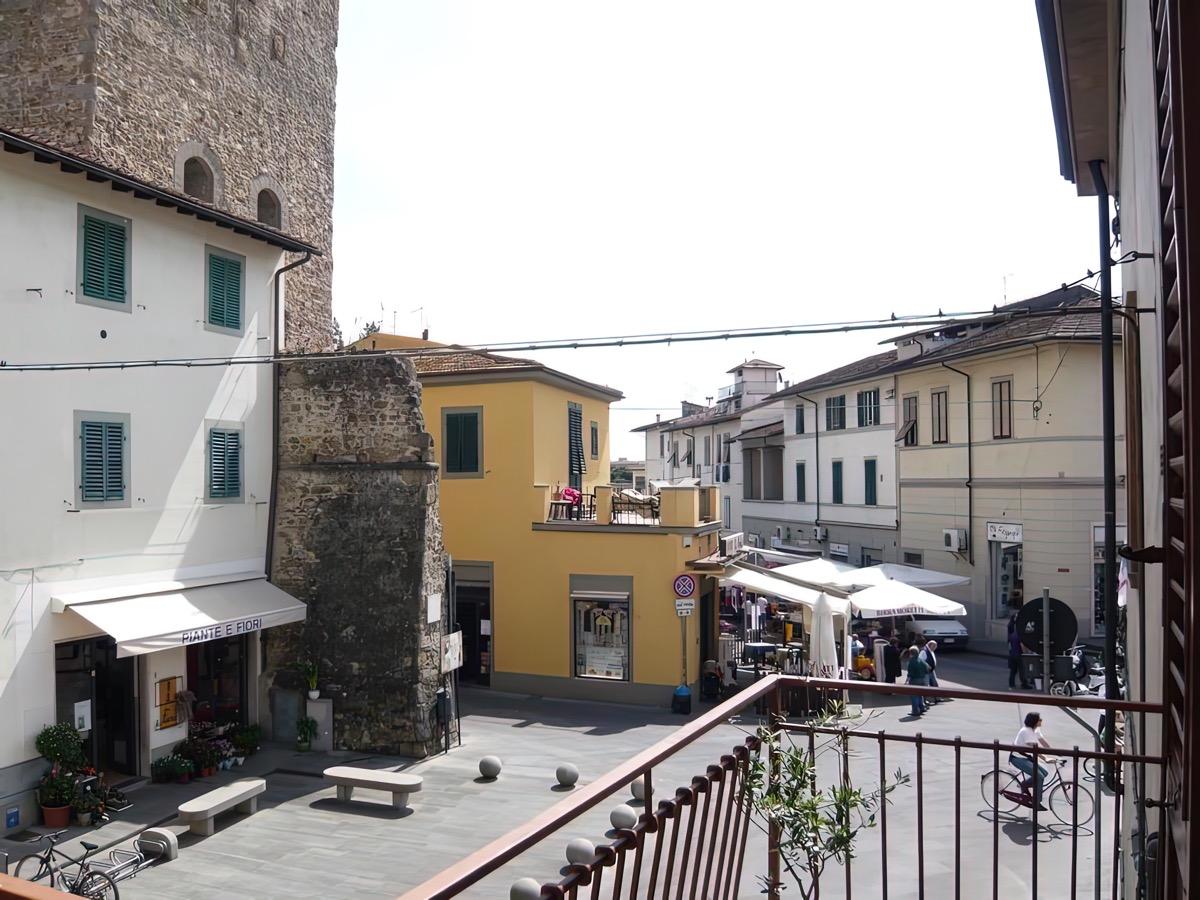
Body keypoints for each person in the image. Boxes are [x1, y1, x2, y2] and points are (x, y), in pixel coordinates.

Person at [1010, 711, 1051, 809]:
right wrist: (1045, 758)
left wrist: (1056, 753)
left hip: (1026, 757)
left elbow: (1043, 743)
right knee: (1039, 777)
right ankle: (1036, 802)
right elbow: (1034, 749)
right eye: (1039, 719)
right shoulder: (1026, 731)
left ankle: (1024, 785)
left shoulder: (1034, 730)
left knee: (1044, 773)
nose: (1041, 720)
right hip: (1018, 758)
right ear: (1034, 721)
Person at [905, 645, 930, 716]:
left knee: (914, 696)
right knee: (920, 695)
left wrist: (906, 681)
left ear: (911, 653)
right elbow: (927, 669)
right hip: (922, 679)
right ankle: (922, 708)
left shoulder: (911, 661)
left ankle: (915, 711)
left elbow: (910, 673)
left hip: (915, 680)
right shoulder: (921, 660)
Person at [1008, 625, 1032, 689]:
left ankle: (1011, 684)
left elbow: (1009, 646)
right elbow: (1022, 645)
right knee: (1022, 670)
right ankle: (1024, 684)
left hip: (1012, 655)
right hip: (1019, 655)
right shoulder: (1020, 636)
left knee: (1013, 670)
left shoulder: (1012, 635)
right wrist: (1026, 653)